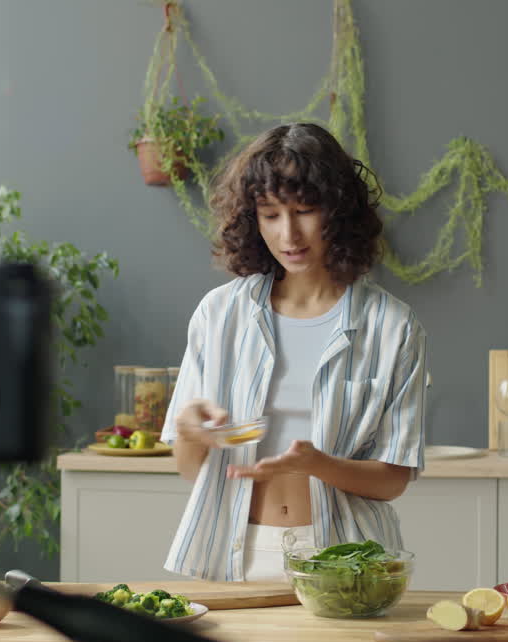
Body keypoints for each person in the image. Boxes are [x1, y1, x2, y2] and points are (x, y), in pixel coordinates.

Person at [160, 123, 428, 582]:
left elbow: (392, 480)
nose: (289, 234)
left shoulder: (392, 327)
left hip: (347, 558)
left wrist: (317, 464)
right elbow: (190, 471)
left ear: (337, 212)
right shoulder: (219, 315)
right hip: (234, 552)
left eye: (305, 210)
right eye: (270, 214)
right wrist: (189, 433)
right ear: (252, 219)